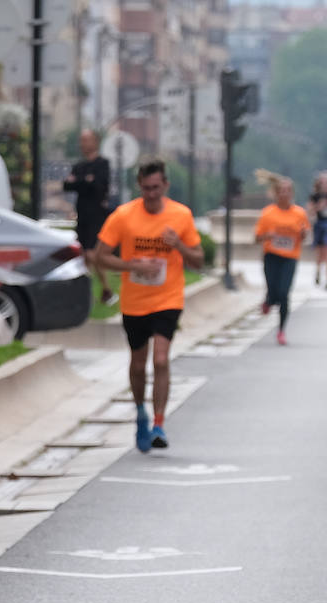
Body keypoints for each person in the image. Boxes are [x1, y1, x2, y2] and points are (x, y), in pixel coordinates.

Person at [93, 158, 203, 453]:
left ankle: (159, 423)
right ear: (139, 187)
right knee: (139, 363)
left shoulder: (181, 215)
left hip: (168, 298)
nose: (151, 194)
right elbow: (100, 256)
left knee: (162, 359)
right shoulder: (124, 216)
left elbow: (199, 259)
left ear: (165, 185)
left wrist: (177, 244)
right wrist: (132, 266)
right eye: (146, 189)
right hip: (134, 301)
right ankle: (140, 411)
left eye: (156, 188)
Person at [253, 178, 310, 345]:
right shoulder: (268, 213)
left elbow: (305, 235)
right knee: (273, 289)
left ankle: (281, 331)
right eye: (281, 191)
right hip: (271, 256)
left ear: (292, 193)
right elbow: (256, 237)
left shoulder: (299, 213)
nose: (284, 194)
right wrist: (267, 236)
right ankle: (269, 301)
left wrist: (302, 232)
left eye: (287, 190)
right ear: (276, 193)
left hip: (290, 257)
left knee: (284, 294)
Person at [63, 129, 114, 303]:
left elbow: (98, 186)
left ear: (95, 142)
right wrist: (86, 181)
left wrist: (81, 182)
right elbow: (68, 185)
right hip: (82, 215)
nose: (83, 144)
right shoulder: (79, 166)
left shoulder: (102, 164)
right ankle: (87, 293)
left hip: (97, 216)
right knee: (83, 254)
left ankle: (106, 288)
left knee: (93, 253)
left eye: (86, 140)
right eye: (81, 141)